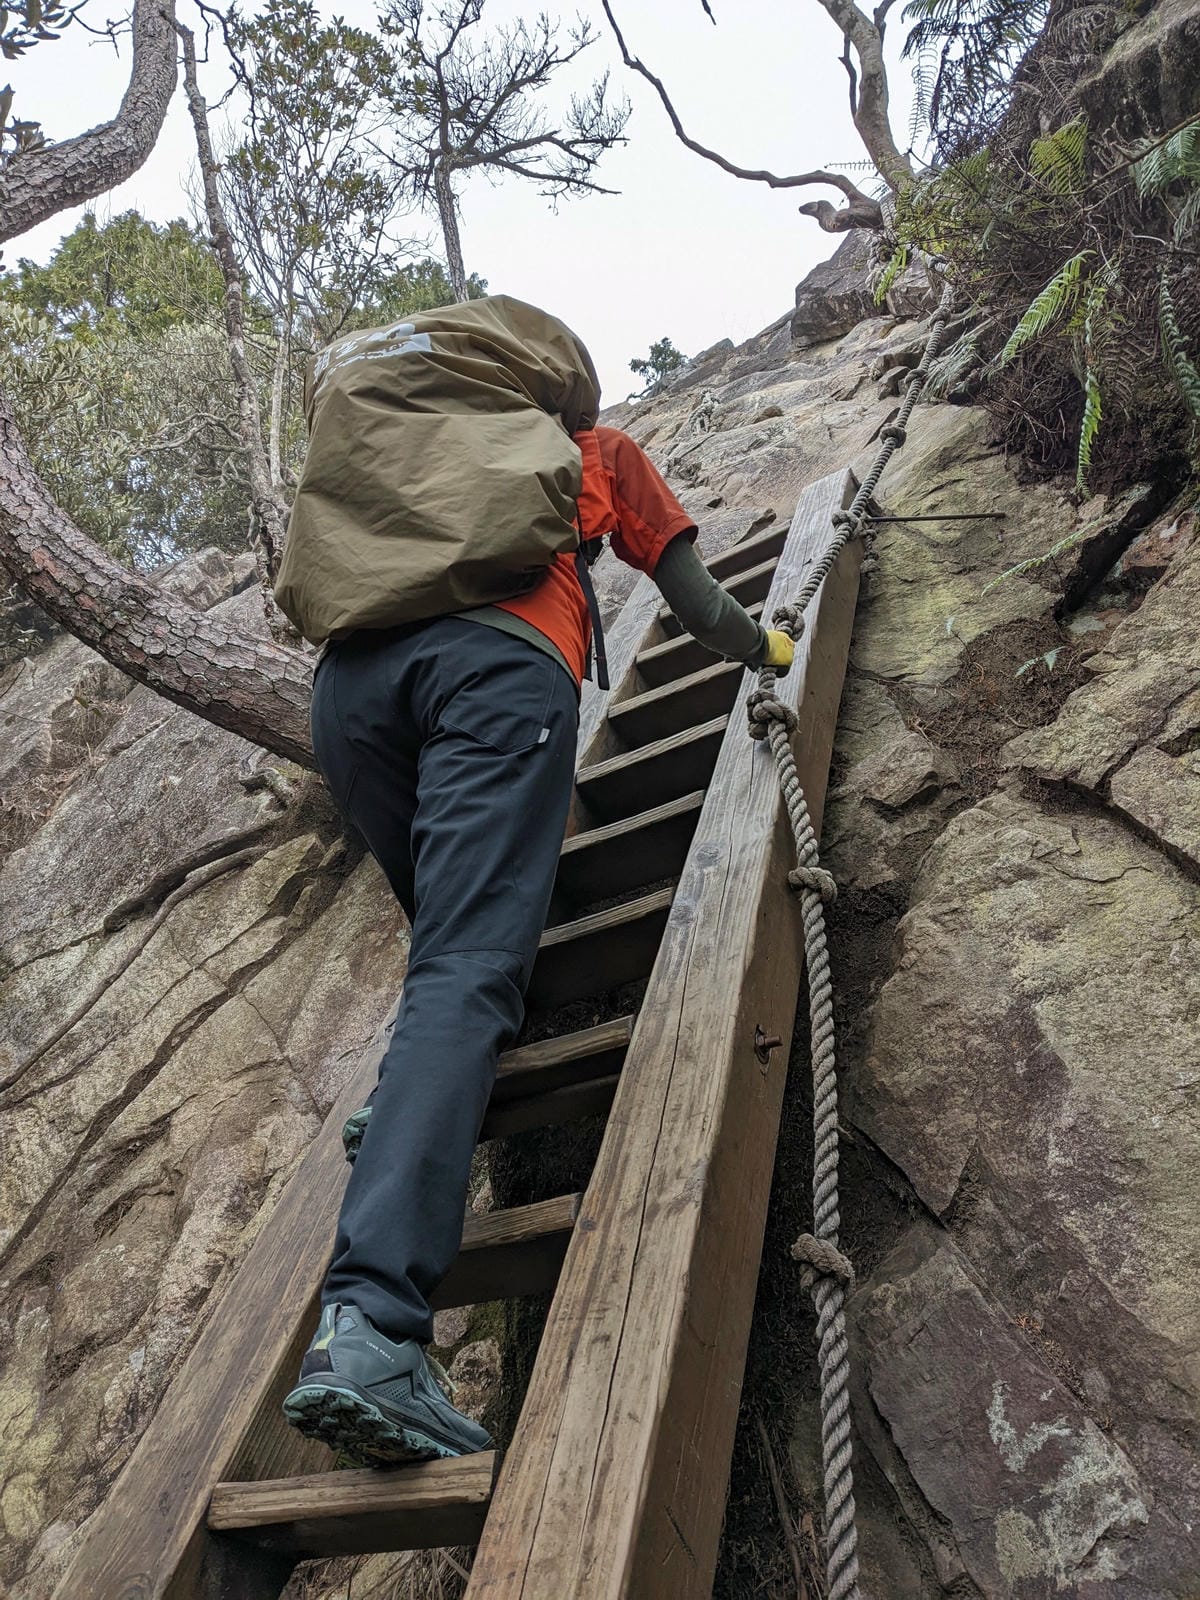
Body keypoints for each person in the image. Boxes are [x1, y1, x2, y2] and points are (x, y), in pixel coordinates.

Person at [279, 304, 794, 1466]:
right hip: (494, 669)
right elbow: (698, 602)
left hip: (350, 697)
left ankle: (409, 1103)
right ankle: (374, 1331)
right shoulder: (589, 451)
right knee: (469, 968)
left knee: (449, 954)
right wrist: (764, 648)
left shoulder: (397, 472)